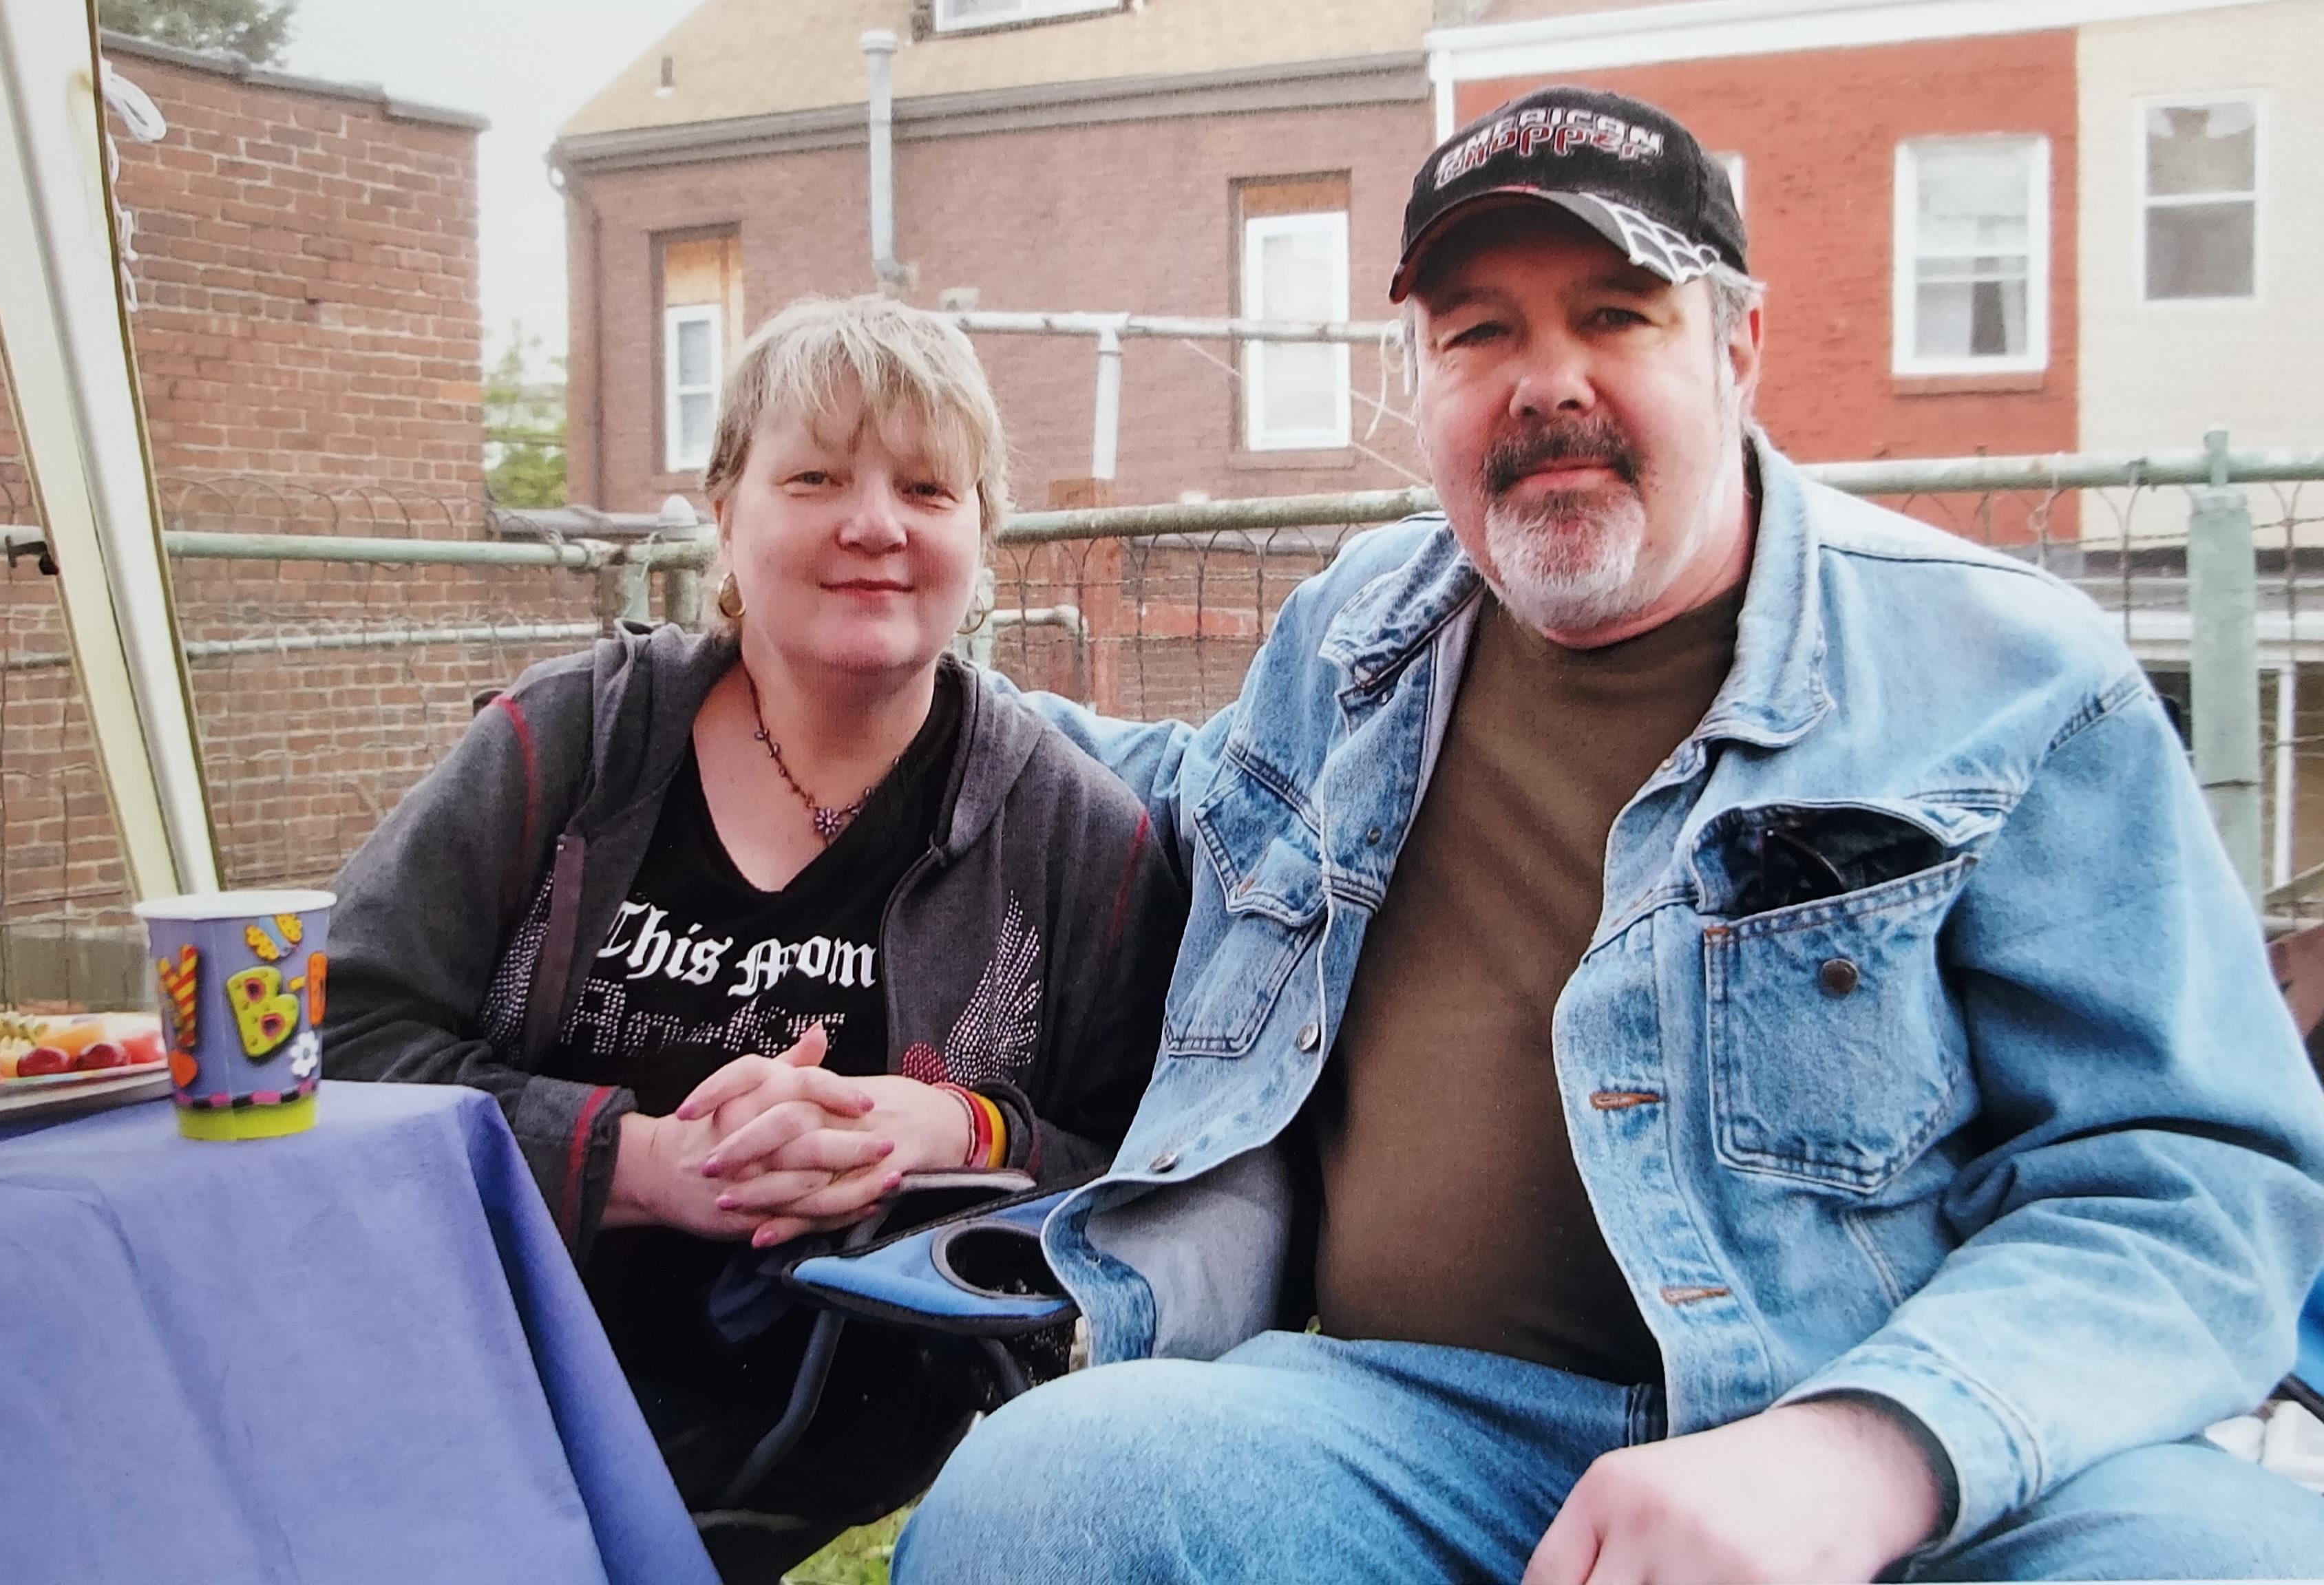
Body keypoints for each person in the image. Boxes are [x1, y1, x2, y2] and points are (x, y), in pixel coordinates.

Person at [895, 87, 2324, 1583]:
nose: (1544, 383)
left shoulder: (2012, 677)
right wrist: (865, 667)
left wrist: (1862, 1452)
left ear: (1738, 348)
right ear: (1420, 378)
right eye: (1479, 333)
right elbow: (1177, 793)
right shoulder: (1351, 642)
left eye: (1614, 316)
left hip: (1908, 1459)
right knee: (1048, 1499)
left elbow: (2194, 1182)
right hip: (1419, 1445)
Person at [321, 295, 1182, 1582]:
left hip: (832, 1408)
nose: (875, 524)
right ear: (725, 511)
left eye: (928, 488)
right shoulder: (568, 747)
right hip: (480, 1351)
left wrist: (957, 1132)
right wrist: (640, 1162)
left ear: (981, 533)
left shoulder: (1077, 835)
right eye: (816, 476)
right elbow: (337, 1029)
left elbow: (1159, 1166)